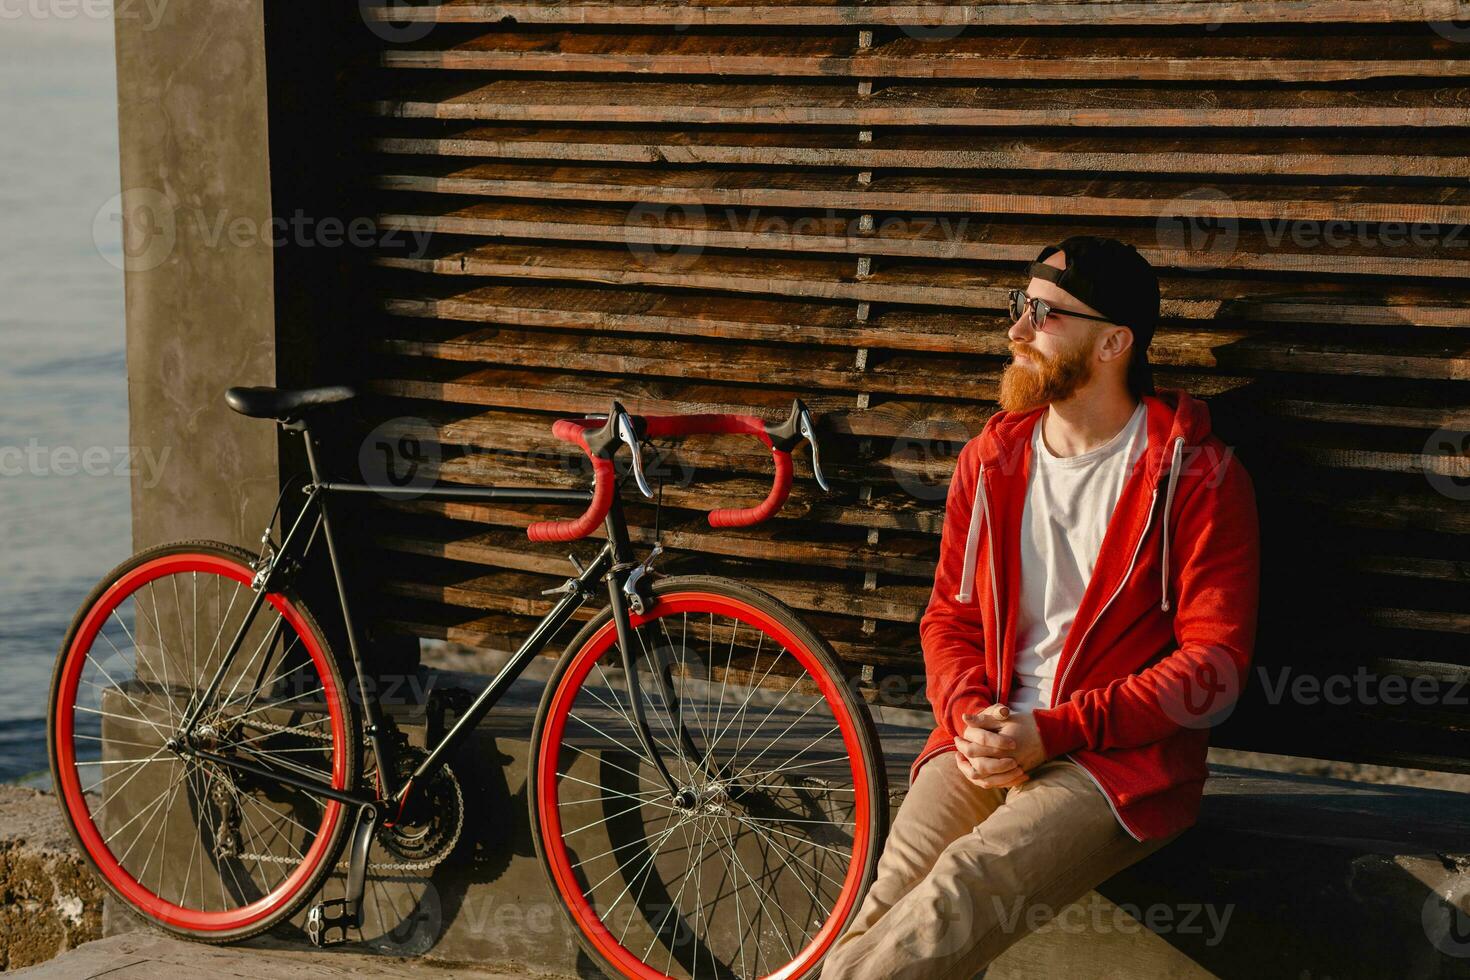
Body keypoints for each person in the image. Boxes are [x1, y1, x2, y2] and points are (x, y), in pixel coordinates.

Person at [823, 235, 1261, 979]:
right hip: (984, 736)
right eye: (1019, 307)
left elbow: (1212, 666)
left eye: (1046, 315)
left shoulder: (1197, 475)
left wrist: (1054, 729)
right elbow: (950, 620)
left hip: (1113, 763)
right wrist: (968, 713)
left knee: (940, 910)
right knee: (884, 907)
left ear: (1113, 343)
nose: (1017, 332)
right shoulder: (990, 462)